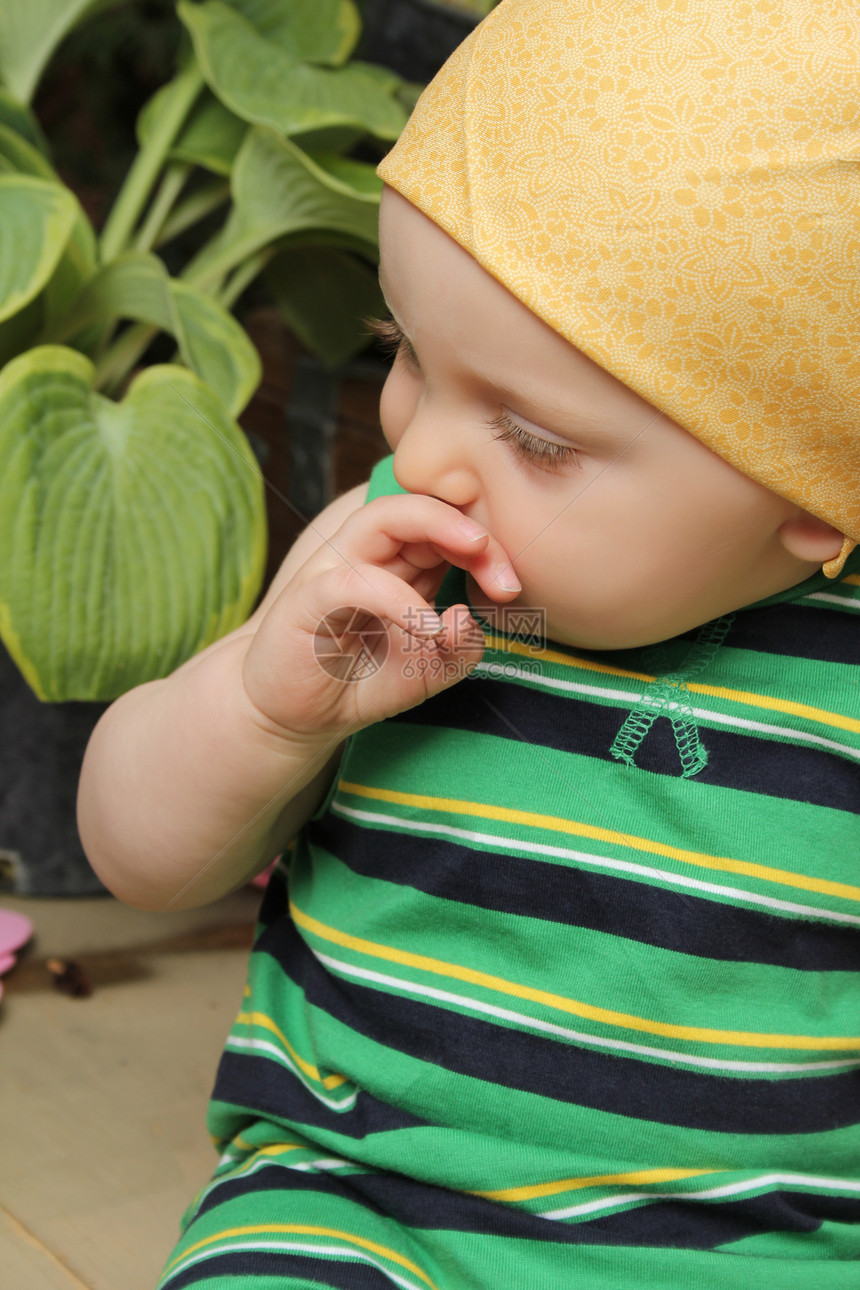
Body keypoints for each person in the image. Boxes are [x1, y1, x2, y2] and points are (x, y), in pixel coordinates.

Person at [78, 1, 860, 1286]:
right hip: (359, 1208)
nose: (425, 452)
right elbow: (138, 856)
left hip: (764, 1251)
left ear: (809, 495)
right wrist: (265, 715)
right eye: (404, 355)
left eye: (536, 437)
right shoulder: (383, 572)